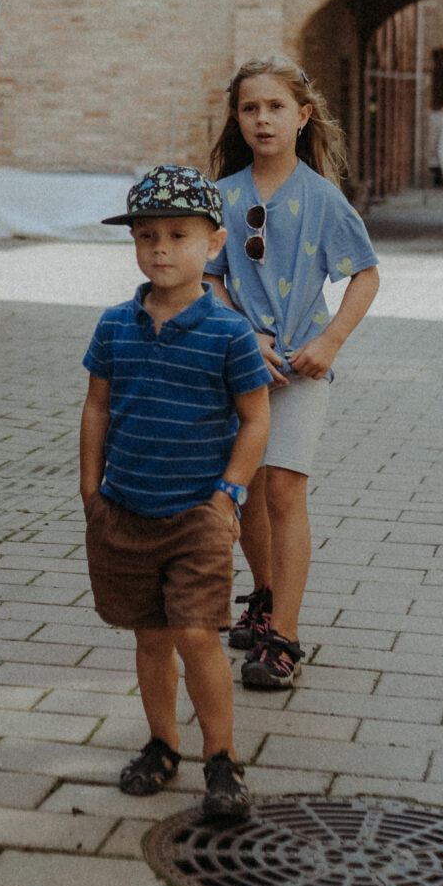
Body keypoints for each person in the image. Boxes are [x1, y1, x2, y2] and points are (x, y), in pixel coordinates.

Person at [82, 165, 271, 822]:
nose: (160, 249)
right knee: (150, 635)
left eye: (177, 235)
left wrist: (228, 494)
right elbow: (97, 406)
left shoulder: (229, 333)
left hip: (197, 515)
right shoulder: (114, 325)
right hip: (126, 509)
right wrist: (90, 487)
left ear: (213, 243)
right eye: (147, 236)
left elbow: (255, 419)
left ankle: (223, 757)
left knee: (195, 633)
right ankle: (163, 743)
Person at [203, 57, 379, 690]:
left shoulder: (323, 200)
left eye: (276, 107)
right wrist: (242, 334)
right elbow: (209, 278)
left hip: (301, 371)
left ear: (303, 117)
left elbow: (366, 275)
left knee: (283, 490)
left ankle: (285, 636)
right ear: (237, 118)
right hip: (239, 367)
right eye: (250, 108)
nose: (263, 119)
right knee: (246, 487)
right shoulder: (222, 197)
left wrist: (330, 342)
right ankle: (265, 592)